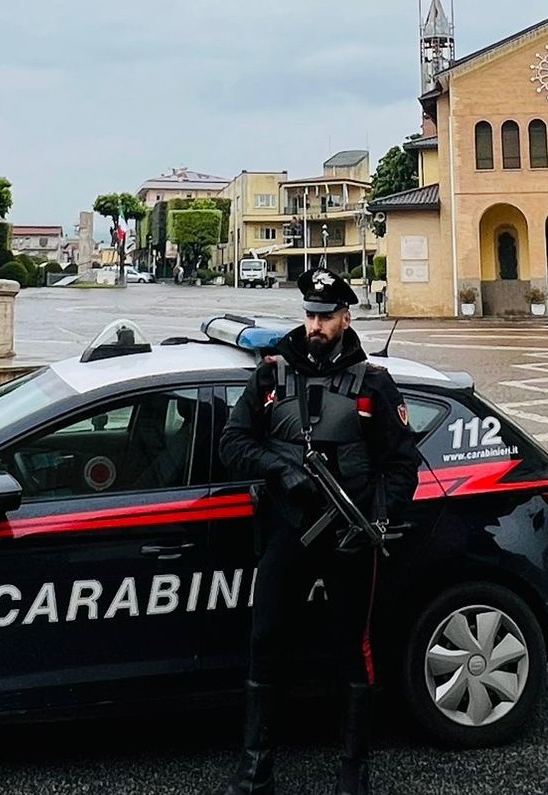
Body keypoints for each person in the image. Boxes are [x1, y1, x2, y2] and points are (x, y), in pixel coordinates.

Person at [214, 267, 420, 795]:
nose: (316, 324)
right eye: (309, 313)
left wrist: (376, 517)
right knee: (266, 641)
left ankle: (354, 770)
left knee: (354, 649)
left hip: (350, 537)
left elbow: (401, 467)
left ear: (346, 317)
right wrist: (282, 470)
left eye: (326, 316)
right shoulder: (270, 376)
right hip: (287, 530)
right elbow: (233, 445)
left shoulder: (373, 383)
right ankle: (255, 770)